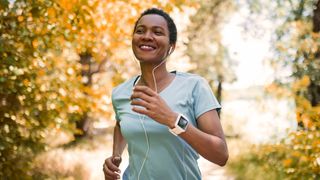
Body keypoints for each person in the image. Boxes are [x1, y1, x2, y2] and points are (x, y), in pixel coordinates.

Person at [103, 8, 228, 180]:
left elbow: (220, 154)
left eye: (157, 32)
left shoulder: (194, 86)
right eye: (140, 31)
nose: (146, 36)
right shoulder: (120, 93)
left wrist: (172, 120)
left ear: (171, 46)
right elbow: (120, 124)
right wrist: (115, 155)